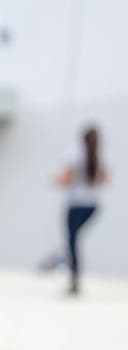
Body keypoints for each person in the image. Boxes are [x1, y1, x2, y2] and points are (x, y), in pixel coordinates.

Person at [55, 126, 110, 296]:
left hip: (76, 204)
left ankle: (74, 279)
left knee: (72, 242)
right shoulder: (98, 155)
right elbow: (105, 179)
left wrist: (58, 180)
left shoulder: (75, 153)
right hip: (92, 206)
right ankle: (73, 274)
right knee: (74, 241)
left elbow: (66, 177)